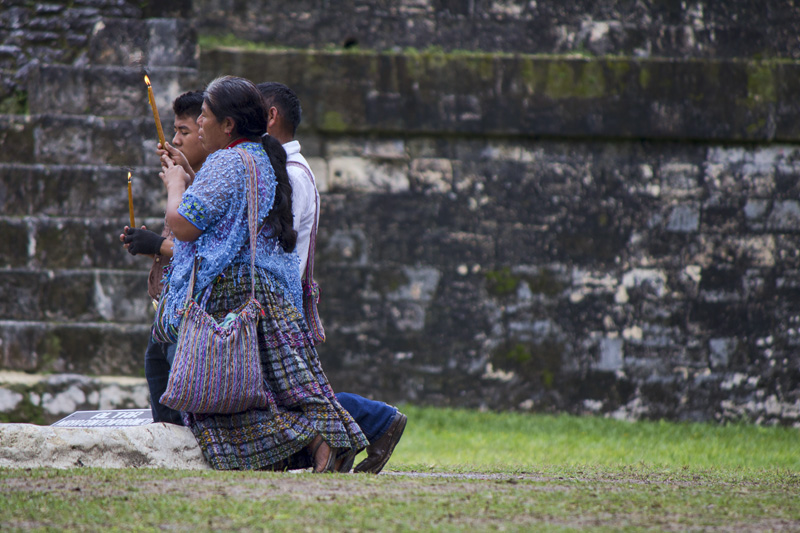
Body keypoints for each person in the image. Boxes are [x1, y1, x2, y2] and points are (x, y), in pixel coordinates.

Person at [158, 76, 367, 472]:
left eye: (203, 117)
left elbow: (184, 225)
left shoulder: (228, 161)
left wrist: (176, 184)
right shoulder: (261, 159)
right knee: (285, 390)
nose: (198, 124)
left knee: (217, 398)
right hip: (263, 289)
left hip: (228, 296)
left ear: (228, 125)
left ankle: (315, 440)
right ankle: (325, 441)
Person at [258, 81, 407, 474]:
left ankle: (373, 420)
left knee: (292, 395)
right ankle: (366, 426)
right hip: (279, 298)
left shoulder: (291, 174)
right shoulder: (287, 169)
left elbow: (279, 244)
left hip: (278, 300)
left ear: (270, 116)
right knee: (289, 393)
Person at [120, 90, 207, 426]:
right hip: (171, 304)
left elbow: (201, 246)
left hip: (191, 308)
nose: (175, 140)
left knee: (179, 393)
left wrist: (157, 243)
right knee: (158, 373)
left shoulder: (215, 177)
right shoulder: (193, 176)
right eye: (175, 131)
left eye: (184, 132)